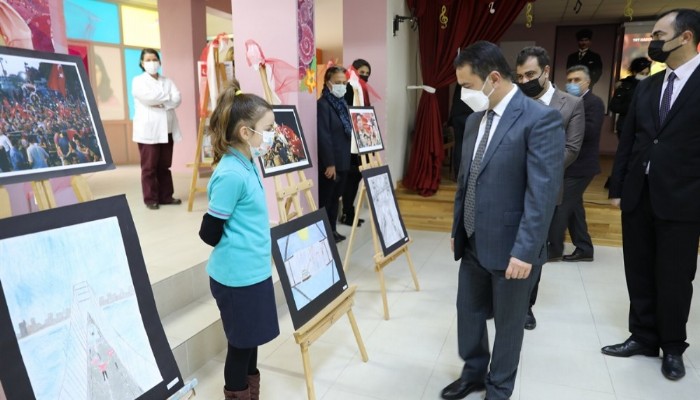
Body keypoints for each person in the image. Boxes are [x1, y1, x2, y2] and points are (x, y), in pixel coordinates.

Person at [444, 41, 564, 400]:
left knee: (509, 325)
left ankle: (499, 387)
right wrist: (457, 228)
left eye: (467, 86)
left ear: (492, 78)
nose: (463, 94)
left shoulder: (540, 119)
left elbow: (542, 194)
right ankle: (474, 373)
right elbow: (466, 180)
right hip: (473, 239)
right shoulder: (474, 122)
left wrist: (526, 251)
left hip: (514, 246)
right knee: (468, 313)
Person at [604, 9, 700, 382]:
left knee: (675, 277)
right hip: (639, 195)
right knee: (639, 270)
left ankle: (672, 346)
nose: (653, 41)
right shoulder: (647, 86)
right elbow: (631, 139)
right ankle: (643, 336)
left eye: (659, 34)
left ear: (686, 37)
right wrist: (618, 187)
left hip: (684, 198)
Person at [198, 81, 279, 400]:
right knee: (240, 346)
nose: (272, 134)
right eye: (268, 128)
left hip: (253, 273)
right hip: (236, 278)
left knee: (251, 341)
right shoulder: (231, 173)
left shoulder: (246, 163)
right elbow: (209, 233)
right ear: (246, 133)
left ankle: (250, 394)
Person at [514, 46, 586, 330]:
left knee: (533, 251)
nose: (524, 81)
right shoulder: (514, 100)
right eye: (519, 76)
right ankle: (503, 299)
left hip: (544, 190)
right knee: (507, 245)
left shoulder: (570, 104)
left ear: (545, 71)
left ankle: (527, 306)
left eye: (530, 74)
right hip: (509, 187)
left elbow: (572, 148)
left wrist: (537, 168)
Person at [547, 65, 604, 263]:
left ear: (588, 82)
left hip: (581, 166)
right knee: (574, 209)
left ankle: (553, 249)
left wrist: (569, 125)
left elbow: (589, 132)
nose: (572, 84)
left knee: (561, 206)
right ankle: (584, 248)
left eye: (577, 80)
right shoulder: (567, 102)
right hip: (568, 165)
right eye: (569, 80)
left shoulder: (594, 103)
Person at [131, 48, 183, 210]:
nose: (152, 63)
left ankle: (166, 196)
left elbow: (177, 98)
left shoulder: (167, 81)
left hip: (167, 130)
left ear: (159, 62)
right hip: (149, 131)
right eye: (148, 60)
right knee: (149, 167)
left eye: (154, 59)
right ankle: (151, 199)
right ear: (142, 63)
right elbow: (147, 98)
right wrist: (167, 98)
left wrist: (162, 101)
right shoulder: (138, 81)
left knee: (164, 166)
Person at [318, 65, 352, 242]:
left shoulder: (342, 104)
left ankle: (332, 230)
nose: (342, 86)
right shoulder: (323, 105)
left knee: (336, 199)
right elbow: (323, 135)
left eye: (344, 82)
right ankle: (325, 233)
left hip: (343, 159)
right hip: (331, 164)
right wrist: (330, 163)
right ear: (328, 83)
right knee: (327, 199)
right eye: (338, 82)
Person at [341, 58, 371, 227]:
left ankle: (350, 212)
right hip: (350, 143)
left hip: (360, 142)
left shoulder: (361, 90)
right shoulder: (349, 89)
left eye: (367, 74)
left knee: (356, 177)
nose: (365, 76)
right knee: (351, 179)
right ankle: (347, 213)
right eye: (362, 73)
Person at [609, 57, 652, 137]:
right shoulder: (624, 85)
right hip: (625, 126)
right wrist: (632, 106)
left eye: (647, 74)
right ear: (635, 72)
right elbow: (613, 106)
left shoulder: (652, 86)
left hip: (645, 127)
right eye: (642, 73)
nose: (644, 76)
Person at [448, 84, 474, 180]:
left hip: (457, 114)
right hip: (470, 114)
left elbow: (454, 98)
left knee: (459, 144)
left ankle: (457, 174)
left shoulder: (460, 80)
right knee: (470, 146)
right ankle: (467, 175)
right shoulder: (475, 79)